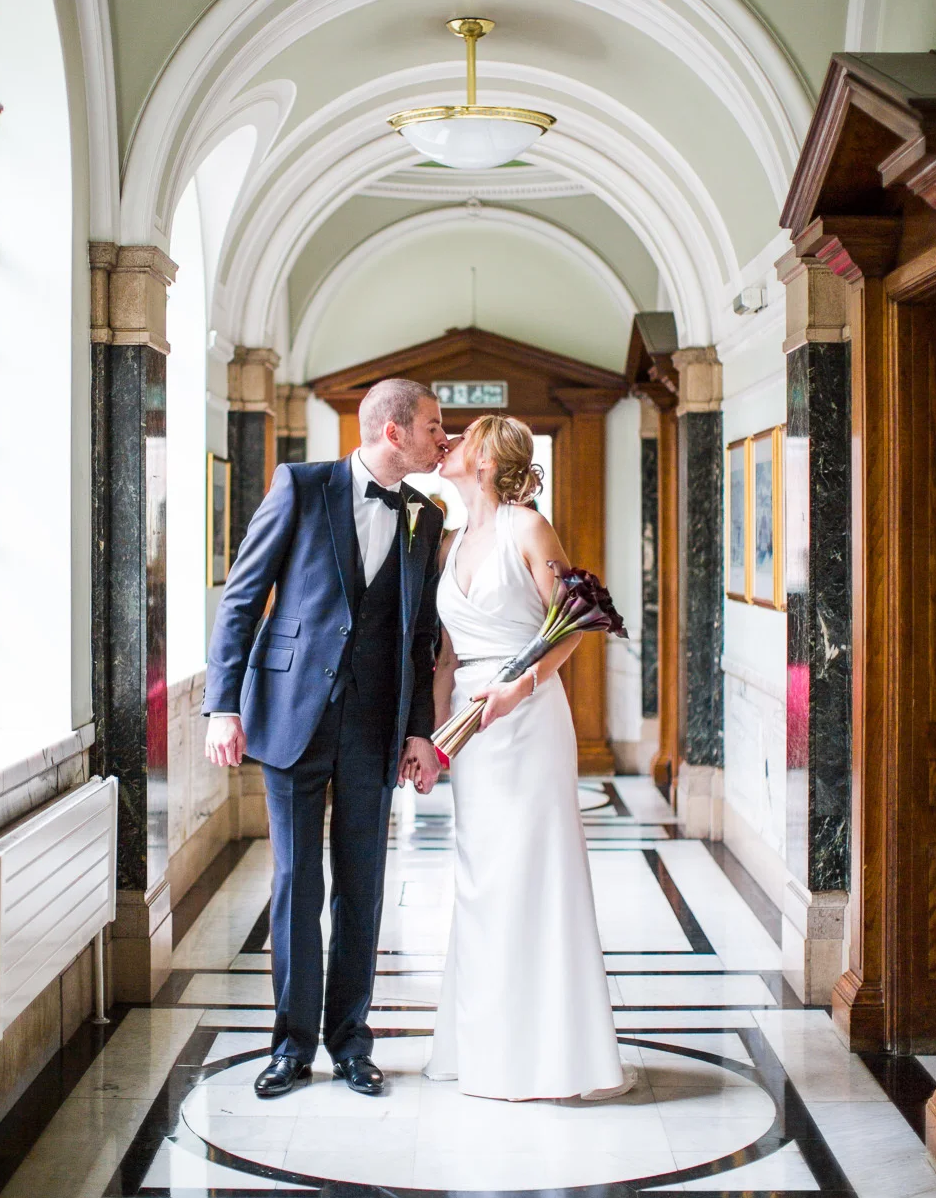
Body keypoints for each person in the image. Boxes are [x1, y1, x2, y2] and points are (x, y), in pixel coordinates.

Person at [203, 379, 446, 1099]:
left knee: (362, 889)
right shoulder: (301, 487)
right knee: (295, 884)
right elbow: (242, 599)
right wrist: (222, 706)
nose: (444, 438)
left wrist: (419, 730)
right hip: (291, 716)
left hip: (374, 725)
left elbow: (421, 635)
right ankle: (289, 1046)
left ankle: (350, 1043)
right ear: (394, 432)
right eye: (434, 426)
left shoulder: (426, 516)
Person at [412, 415, 636, 1102]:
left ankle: (552, 1058)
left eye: (461, 437)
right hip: (472, 724)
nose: (447, 442)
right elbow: (445, 656)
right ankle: (484, 1048)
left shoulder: (529, 529)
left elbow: (570, 627)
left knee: (534, 872)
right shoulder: (449, 541)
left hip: (529, 719)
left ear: (486, 459)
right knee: (481, 877)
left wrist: (522, 686)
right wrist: (433, 738)